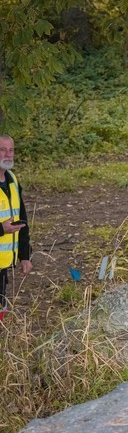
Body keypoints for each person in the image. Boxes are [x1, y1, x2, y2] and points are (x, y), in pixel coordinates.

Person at [0, 134, 33, 320]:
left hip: (3, 265)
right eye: (2, 150)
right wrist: (1, 229)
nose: (8, 154)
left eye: (11, 150)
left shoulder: (12, 179)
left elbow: (23, 220)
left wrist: (25, 255)